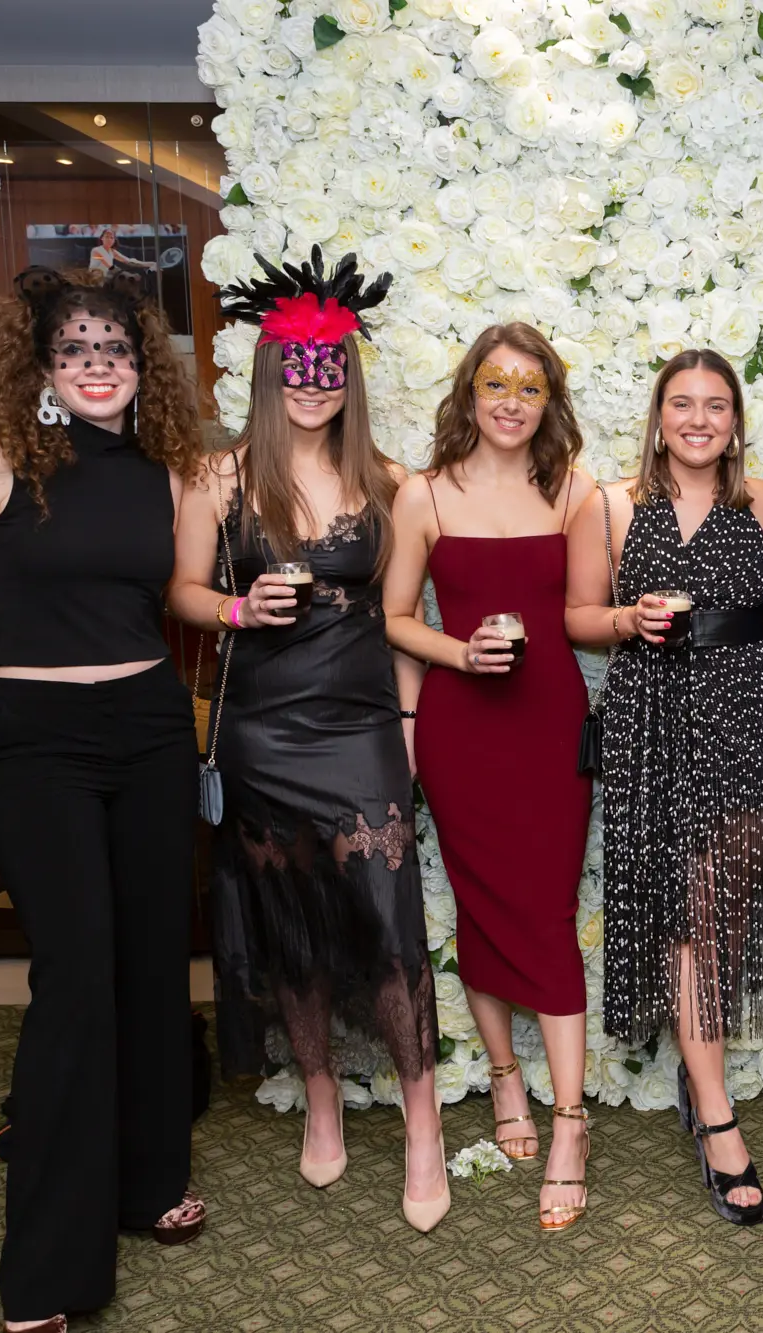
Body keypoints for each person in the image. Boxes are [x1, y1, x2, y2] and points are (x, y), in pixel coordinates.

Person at [0, 266, 206, 1333]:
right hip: (36, 738)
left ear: (143, 367)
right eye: (78, 349)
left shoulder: (163, 472)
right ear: (43, 366)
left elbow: (174, 598)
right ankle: (46, 1271)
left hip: (147, 730)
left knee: (148, 968)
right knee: (76, 983)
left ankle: (145, 1185)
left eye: (117, 349)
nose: (99, 366)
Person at [168, 248, 450, 1233]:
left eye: (330, 367)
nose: (313, 384)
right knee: (288, 924)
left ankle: (422, 1123)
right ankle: (321, 1094)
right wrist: (238, 608)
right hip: (260, 730)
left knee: (385, 926)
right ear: (268, 368)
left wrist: (408, 732)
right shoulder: (219, 475)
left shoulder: (391, 484)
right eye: (296, 365)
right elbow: (183, 594)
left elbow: (407, 616)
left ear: (351, 373)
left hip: (360, 724)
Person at [563, 349, 763, 1225]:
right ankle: (715, 1107)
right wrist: (628, 618)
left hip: (748, 712)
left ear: (735, 421)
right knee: (688, 911)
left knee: (722, 908)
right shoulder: (613, 503)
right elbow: (578, 616)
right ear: (658, 414)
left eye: (716, 406)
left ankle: (696, 1069)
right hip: (652, 715)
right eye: (681, 403)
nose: (698, 419)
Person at [384, 322, 596, 1230]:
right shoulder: (422, 494)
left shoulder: (575, 491)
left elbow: (585, 617)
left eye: (530, 387)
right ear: (469, 392)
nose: (511, 401)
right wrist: (458, 655)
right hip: (461, 728)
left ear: (549, 401)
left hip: (551, 726)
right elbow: (393, 617)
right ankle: (507, 1080)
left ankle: (571, 1122)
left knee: (544, 916)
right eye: (495, 384)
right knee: (479, 906)